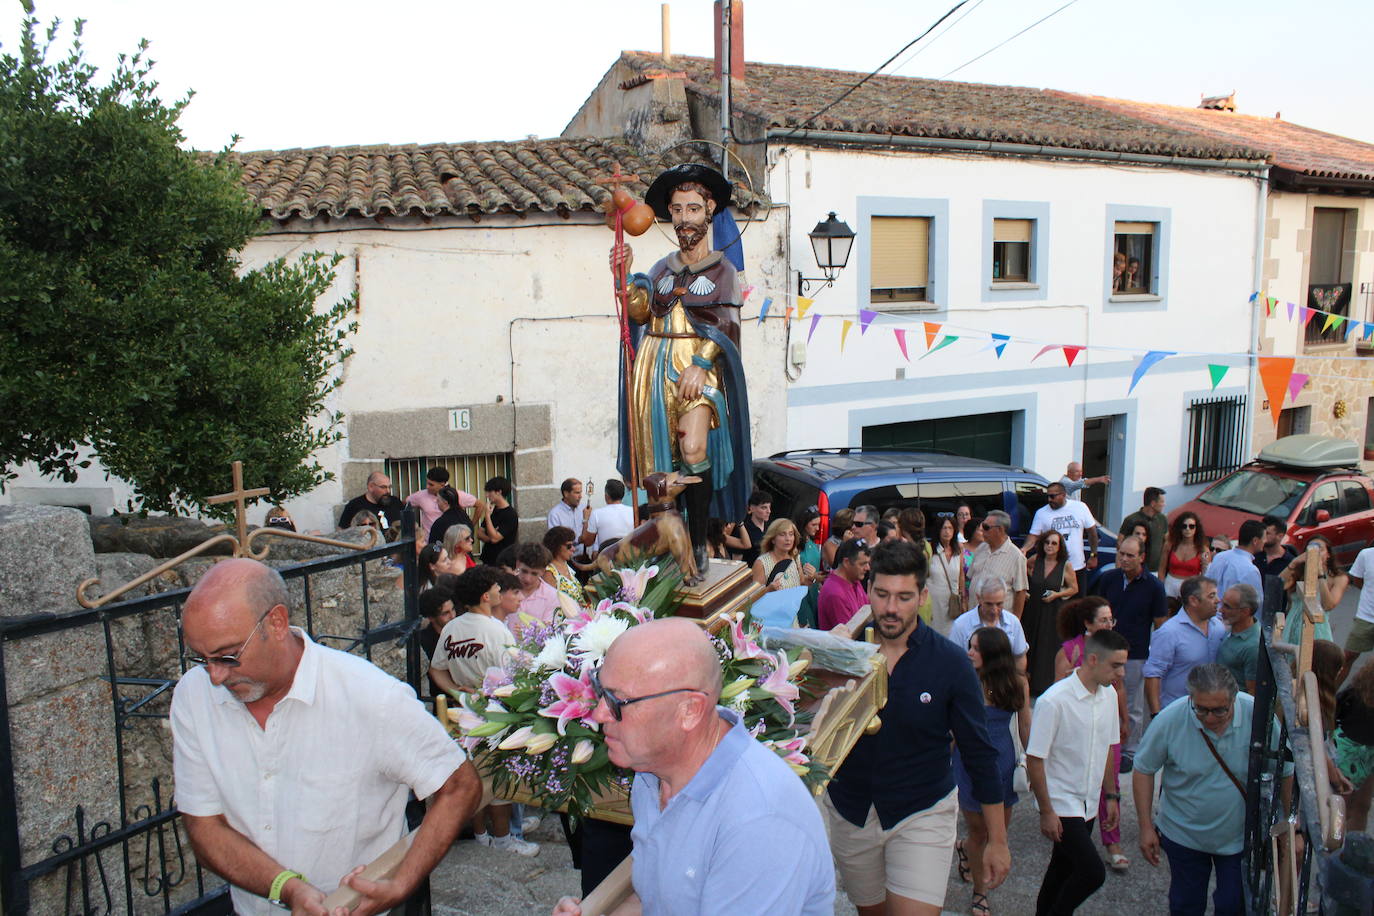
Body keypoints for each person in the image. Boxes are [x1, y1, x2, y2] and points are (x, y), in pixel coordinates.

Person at [171, 559, 481, 914]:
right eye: (201, 659)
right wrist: (287, 888)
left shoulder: (370, 696)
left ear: (276, 622)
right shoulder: (193, 696)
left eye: (228, 656)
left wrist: (403, 882)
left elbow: (459, 786)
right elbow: (203, 824)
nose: (214, 675)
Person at [552, 618, 834, 916]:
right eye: (600, 690)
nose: (598, 714)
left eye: (618, 701)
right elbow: (659, 899)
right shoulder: (653, 774)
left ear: (690, 711)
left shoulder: (758, 822)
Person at [821, 541, 1010, 915]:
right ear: (868, 589)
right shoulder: (841, 652)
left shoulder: (951, 663)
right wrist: (828, 664)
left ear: (923, 595)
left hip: (922, 811)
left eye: (904, 597)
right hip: (852, 812)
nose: (891, 608)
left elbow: (979, 753)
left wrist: (997, 840)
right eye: (882, 594)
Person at [611, 162, 753, 573]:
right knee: (663, 461)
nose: (684, 218)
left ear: (709, 211)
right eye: (676, 210)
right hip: (655, 368)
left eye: (692, 209)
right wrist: (623, 276)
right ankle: (666, 543)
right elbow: (640, 314)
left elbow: (726, 324)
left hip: (697, 368)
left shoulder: (723, 270)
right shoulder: (660, 269)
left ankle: (699, 540)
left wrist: (700, 363)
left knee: (694, 449)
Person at [1134, 664, 1292, 916]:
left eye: (1219, 710)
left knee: (1233, 905)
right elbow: (1143, 768)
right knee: (1186, 904)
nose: (1209, 718)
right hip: (1183, 833)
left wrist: (1289, 823)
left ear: (1234, 699)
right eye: (1202, 709)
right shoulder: (1170, 719)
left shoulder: (1257, 714)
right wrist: (1145, 826)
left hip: (1238, 837)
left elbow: (1285, 769)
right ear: (1190, 699)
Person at [428, 565, 540, 857]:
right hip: (494, 709)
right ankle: (504, 838)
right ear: (485, 596)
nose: (499, 591)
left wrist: (455, 690)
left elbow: (436, 669)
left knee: (473, 773)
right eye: (495, 587)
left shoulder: (452, 627)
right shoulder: (495, 630)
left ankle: (481, 834)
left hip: (463, 709)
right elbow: (514, 674)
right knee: (498, 776)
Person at [1026, 629, 1128, 916]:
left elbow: (1109, 747)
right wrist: (1047, 810)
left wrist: (1111, 796)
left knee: (1062, 868)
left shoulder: (1108, 695)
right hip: (1062, 803)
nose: (1121, 673)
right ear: (1093, 659)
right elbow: (1035, 758)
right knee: (1092, 872)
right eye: (1115, 665)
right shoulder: (1054, 700)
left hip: (1088, 801)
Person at [953, 627, 1031, 916]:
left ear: (991, 654)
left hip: (1003, 761)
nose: (969, 652)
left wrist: (1032, 764)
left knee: (998, 830)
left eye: (975, 648)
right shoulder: (963, 681)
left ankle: (965, 849)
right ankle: (979, 890)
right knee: (978, 830)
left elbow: (1024, 725)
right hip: (968, 761)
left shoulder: (1017, 683)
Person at [1052, 596, 1130, 873]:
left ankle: (1113, 841)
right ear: (1088, 624)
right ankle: (1076, 832)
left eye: (1111, 619)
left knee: (1111, 780)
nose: (1109, 623)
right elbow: (1058, 691)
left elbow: (1118, 687)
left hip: (1106, 721)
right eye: (1104, 619)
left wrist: (1122, 717)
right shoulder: (1071, 650)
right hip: (1079, 727)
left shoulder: (1114, 648)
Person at [1091, 535, 1166, 770]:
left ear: (1142, 557)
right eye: (1121, 553)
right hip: (1105, 648)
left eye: (1129, 555)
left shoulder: (1154, 586)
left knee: (1132, 704)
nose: (1123, 559)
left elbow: (1160, 623)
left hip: (1135, 653)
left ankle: (1130, 751)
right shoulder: (1109, 578)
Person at [1144, 575, 1224, 718]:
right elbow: (1153, 675)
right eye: (1212, 596)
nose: (1218, 600)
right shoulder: (1169, 632)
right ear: (1193, 600)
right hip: (1177, 714)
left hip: (1211, 714)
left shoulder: (1218, 627)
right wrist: (1156, 715)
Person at [1024, 530, 1079, 696]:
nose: (1050, 546)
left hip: (1053, 611)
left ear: (1060, 546)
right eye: (1047, 542)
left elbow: (1074, 588)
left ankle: (1046, 684)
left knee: (1048, 646)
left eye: (1054, 543)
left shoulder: (1065, 565)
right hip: (1034, 610)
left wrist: (1057, 594)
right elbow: (1024, 566)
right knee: (1031, 644)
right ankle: (1029, 683)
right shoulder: (1036, 560)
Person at [950, 577, 1030, 672]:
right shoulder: (961, 625)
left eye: (999, 604)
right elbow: (954, 661)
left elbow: (1020, 658)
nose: (994, 610)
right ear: (979, 598)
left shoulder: (1013, 622)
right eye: (989, 604)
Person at [1279, 535, 1348, 645]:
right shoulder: (1299, 572)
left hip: (1317, 628)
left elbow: (1328, 605)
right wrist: (1294, 563)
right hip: (1293, 624)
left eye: (1320, 549)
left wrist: (1320, 575)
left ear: (1328, 554)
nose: (1315, 553)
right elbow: (1278, 586)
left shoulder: (1338, 578)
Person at [1022, 481, 1099, 576]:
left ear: (1063, 495)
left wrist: (1093, 555)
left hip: (1076, 566)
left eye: (1053, 496)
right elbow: (1034, 535)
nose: (1049, 499)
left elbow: (1092, 532)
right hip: (1052, 567)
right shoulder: (1041, 513)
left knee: (1077, 590)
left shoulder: (1080, 507)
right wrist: (1025, 548)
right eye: (1048, 496)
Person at [967, 511, 1029, 617]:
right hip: (974, 618)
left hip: (998, 621)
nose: (981, 530)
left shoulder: (1016, 556)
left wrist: (1015, 623)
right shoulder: (981, 548)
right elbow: (970, 578)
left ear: (1000, 529)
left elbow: (1020, 592)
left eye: (986, 527)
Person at [818, 538, 871, 632]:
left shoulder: (854, 579)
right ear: (846, 562)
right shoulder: (835, 594)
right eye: (863, 564)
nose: (867, 568)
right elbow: (848, 636)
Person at [406, 467, 475, 538]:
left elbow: (480, 505)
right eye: (427, 483)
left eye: (431, 484)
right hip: (431, 543)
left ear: (442, 484)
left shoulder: (456, 494)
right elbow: (405, 504)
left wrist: (471, 525)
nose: (427, 487)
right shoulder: (420, 496)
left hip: (453, 542)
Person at [1157, 511, 1211, 603]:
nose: (1187, 529)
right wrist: (1161, 587)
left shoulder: (1203, 549)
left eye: (1191, 526)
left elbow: (1205, 575)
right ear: (1179, 528)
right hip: (1169, 585)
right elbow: (1161, 568)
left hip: (1190, 588)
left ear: (1196, 529)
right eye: (1184, 526)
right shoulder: (1170, 545)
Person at [1217, 583, 1261, 694]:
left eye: (1227, 607)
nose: (1221, 610)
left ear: (1245, 611)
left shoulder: (1253, 646)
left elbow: (1253, 691)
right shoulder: (1231, 628)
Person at [1206, 519, 1263, 602]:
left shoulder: (1219, 556)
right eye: (1264, 538)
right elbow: (1256, 604)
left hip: (1209, 611)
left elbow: (1206, 584)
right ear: (1255, 541)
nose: (1265, 541)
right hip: (1228, 613)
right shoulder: (1251, 570)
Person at [1340, 545, 1374, 686]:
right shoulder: (1366, 555)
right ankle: (1327, 697)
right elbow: (1358, 580)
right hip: (1365, 617)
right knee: (1347, 657)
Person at [927, 515, 966, 637]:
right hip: (934, 602)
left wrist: (963, 598)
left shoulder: (959, 550)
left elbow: (961, 576)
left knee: (952, 635)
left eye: (950, 528)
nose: (947, 531)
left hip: (953, 603)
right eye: (944, 528)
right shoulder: (930, 550)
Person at [751, 518, 814, 592]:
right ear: (773, 539)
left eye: (791, 534)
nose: (788, 539)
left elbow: (802, 583)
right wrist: (768, 590)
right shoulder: (761, 563)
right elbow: (753, 598)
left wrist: (812, 577)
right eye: (782, 534)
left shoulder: (795, 558)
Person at [1118, 487, 1168, 573]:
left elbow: (1167, 542)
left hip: (1156, 571)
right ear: (1153, 503)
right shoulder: (1131, 520)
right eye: (1162, 502)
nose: (1164, 504)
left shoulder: (1162, 519)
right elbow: (1120, 544)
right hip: (1135, 571)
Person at [418, 586, 456, 699]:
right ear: (431, 618)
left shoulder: (462, 631)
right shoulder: (425, 642)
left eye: (453, 609)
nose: (452, 616)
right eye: (445, 613)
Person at [513, 542, 561, 630]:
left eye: (534, 574)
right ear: (518, 564)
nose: (527, 579)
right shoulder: (503, 589)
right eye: (524, 571)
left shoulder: (552, 596)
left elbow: (548, 631)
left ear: (543, 571)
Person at [338, 470, 406, 532]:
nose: (388, 491)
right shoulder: (355, 505)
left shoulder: (395, 502)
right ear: (371, 486)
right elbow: (342, 532)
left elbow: (408, 524)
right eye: (383, 487)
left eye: (389, 487)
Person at [582, 479, 635, 556]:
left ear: (606, 496)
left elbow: (588, 542)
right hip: (629, 557)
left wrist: (586, 519)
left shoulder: (597, 514)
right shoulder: (633, 512)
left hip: (606, 559)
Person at [474, 476, 519, 564]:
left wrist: (487, 516)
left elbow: (495, 538)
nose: (487, 495)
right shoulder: (493, 510)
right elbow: (479, 533)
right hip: (488, 558)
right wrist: (490, 537)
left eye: (489, 492)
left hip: (502, 561)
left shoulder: (510, 514)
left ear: (499, 492)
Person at [541, 526, 588, 606]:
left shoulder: (568, 567)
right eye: (569, 546)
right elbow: (549, 603)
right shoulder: (549, 572)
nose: (573, 549)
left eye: (573, 545)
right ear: (556, 546)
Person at [546, 477, 591, 546]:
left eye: (581, 492)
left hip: (586, 555)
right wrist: (585, 520)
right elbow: (556, 541)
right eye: (577, 493)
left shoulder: (584, 509)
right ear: (566, 494)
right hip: (567, 555)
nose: (580, 496)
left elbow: (594, 532)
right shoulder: (555, 514)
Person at [428, 485, 475, 550]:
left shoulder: (440, 522)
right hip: (466, 556)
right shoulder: (464, 516)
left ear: (445, 503)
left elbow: (434, 547)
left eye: (438, 500)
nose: (436, 502)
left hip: (449, 557)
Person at [736, 489, 773, 567]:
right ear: (752, 508)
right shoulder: (743, 529)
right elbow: (737, 560)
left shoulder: (771, 527)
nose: (768, 511)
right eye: (764, 508)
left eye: (769, 507)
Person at [1255, 513, 1297, 580]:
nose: (1262, 536)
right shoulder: (1254, 553)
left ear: (1280, 536)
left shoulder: (1290, 562)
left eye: (1267, 533)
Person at [795, 506, 824, 574]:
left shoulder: (811, 542)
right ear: (804, 524)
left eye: (818, 524)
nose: (817, 528)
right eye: (814, 525)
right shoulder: (795, 544)